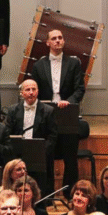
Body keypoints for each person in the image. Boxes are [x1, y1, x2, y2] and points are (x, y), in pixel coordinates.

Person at [27, 29, 91, 188]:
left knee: (70, 157)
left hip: (67, 113)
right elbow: (34, 90)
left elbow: (79, 89)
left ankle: (70, 193)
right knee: (46, 156)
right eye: (54, 38)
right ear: (47, 42)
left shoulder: (74, 63)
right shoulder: (38, 65)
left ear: (63, 41)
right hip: (46, 114)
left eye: (60, 38)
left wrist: (68, 102)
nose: (57, 41)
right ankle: (47, 194)